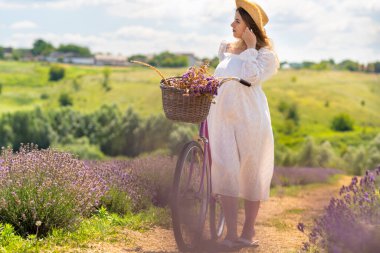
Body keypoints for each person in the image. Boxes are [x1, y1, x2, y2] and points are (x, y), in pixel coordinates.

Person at [207, 0, 279, 249]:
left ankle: (248, 230)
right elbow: (219, 78)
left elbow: (250, 78)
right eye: (234, 19)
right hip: (221, 117)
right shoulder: (226, 47)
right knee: (225, 168)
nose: (232, 24)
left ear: (250, 26)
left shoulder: (266, 55)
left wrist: (250, 49)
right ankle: (230, 232)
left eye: (237, 21)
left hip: (250, 118)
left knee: (251, 171)